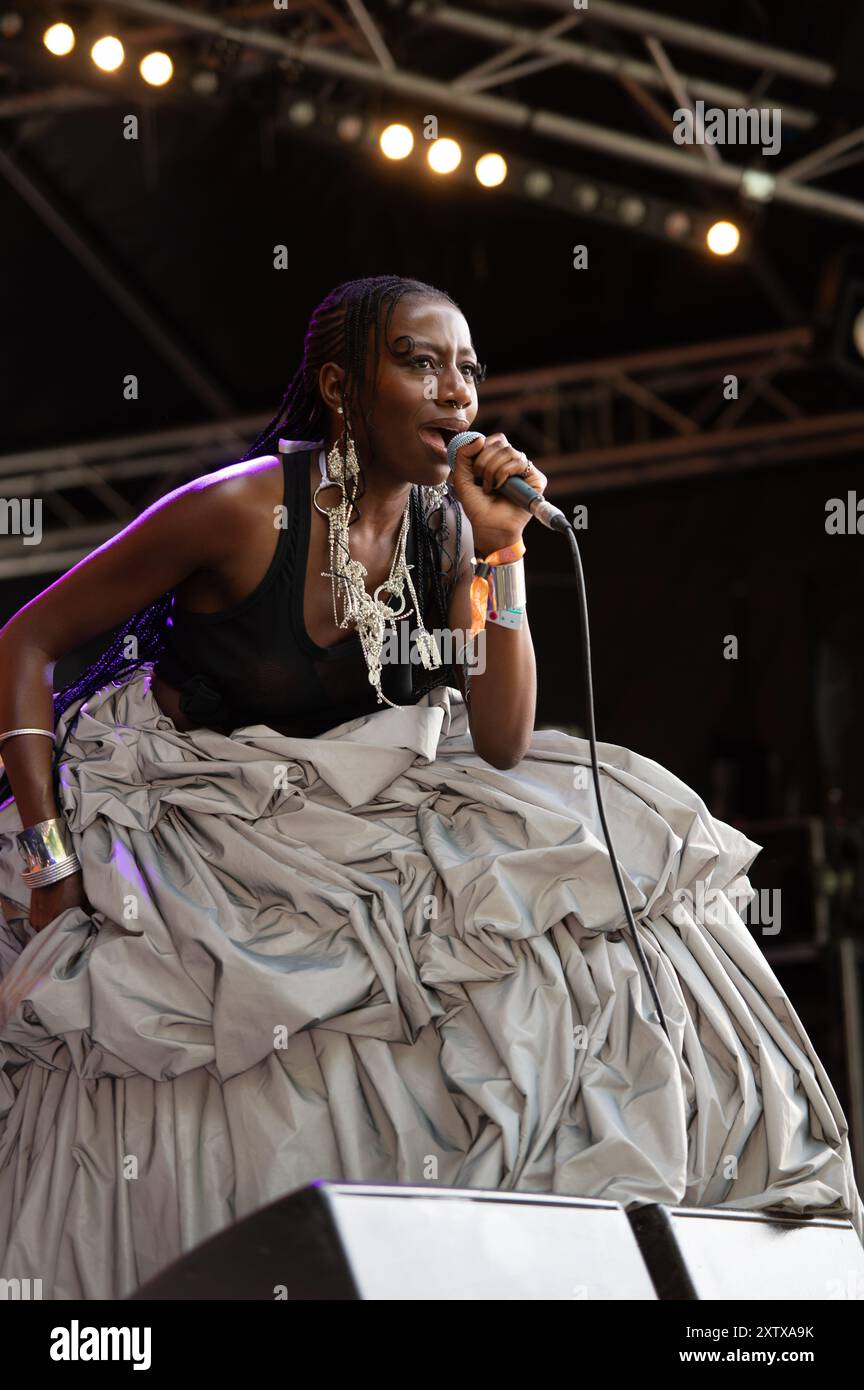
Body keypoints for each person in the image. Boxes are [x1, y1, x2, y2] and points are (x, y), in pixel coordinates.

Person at [0, 275, 860, 1301]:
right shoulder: (238, 510)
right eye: (421, 362)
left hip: (359, 789)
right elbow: (28, 640)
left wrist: (501, 550)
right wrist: (49, 859)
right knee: (193, 1040)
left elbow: (500, 735)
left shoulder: (448, 531)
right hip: (199, 801)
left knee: (605, 859)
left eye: (469, 369)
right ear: (340, 385)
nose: (457, 393)